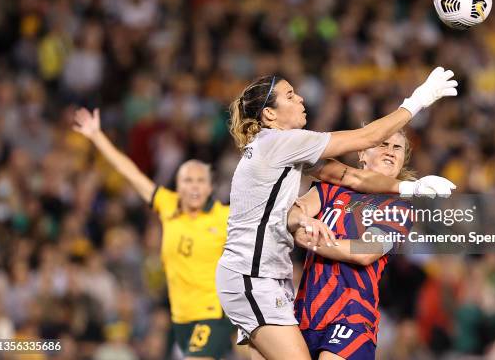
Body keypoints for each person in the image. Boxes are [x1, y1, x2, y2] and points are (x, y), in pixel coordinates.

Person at [216, 69, 458, 360]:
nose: (301, 98)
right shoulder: (285, 145)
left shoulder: (396, 206)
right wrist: (419, 99)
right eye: (291, 96)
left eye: (398, 148)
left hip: (344, 314)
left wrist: (409, 187)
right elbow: (367, 137)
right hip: (259, 279)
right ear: (269, 115)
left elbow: (360, 237)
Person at [73, 108, 233, 360]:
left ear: (211, 186)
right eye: (187, 181)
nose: (194, 187)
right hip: (180, 314)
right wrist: (96, 136)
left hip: (214, 311)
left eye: (200, 181)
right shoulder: (168, 205)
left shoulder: (224, 216)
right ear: (177, 186)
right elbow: (130, 172)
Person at [290, 130, 418, 360]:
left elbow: (365, 252)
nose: (389, 151)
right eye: (382, 143)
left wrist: (307, 237)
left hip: (353, 314)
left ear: (402, 160)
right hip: (305, 312)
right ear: (362, 153)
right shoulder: (328, 188)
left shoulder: (399, 207)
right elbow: (294, 216)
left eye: (397, 148)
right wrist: (300, 221)